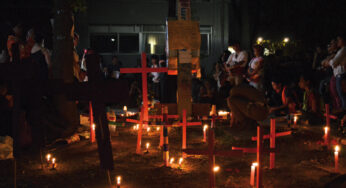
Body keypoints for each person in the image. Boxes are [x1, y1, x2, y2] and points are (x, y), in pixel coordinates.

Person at [323, 36, 346, 110]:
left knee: (342, 94)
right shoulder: (340, 50)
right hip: (337, 75)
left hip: (341, 74)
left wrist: (328, 62)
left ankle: (343, 110)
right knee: (338, 94)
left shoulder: (344, 50)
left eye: (339, 40)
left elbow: (334, 62)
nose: (338, 41)